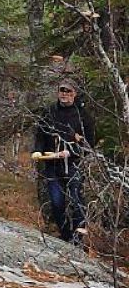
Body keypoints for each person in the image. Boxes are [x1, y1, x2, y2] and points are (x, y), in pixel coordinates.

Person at [32, 77, 97, 244]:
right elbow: (40, 135)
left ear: (75, 93)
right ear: (58, 92)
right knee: (56, 202)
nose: (64, 94)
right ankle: (65, 236)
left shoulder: (84, 116)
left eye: (68, 91)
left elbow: (89, 142)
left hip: (75, 164)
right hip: (52, 164)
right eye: (62, 90)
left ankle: (78, 239)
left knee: (77, 201)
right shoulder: (49, 112)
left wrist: (72, 151)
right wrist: (38, 151)